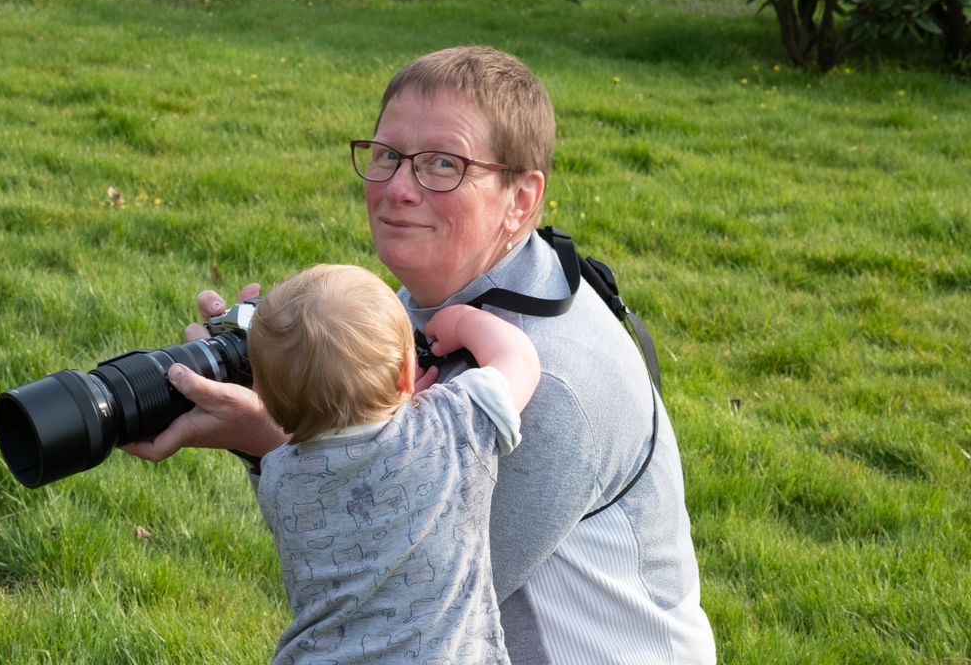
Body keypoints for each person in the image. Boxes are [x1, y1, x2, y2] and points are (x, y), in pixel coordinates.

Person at [123, 46, 717, 665]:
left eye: (443, 164)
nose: (398, 189)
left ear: (520, 199)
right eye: (387, 155)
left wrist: (267, 433)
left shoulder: (550, 379)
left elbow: (395, 587)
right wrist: (291, 371)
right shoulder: (452, 289)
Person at [246, 263, 539, 664]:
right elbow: (519, 359)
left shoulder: (278, 476)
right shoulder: (448, 426)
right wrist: (461, 321)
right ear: (406, 371)